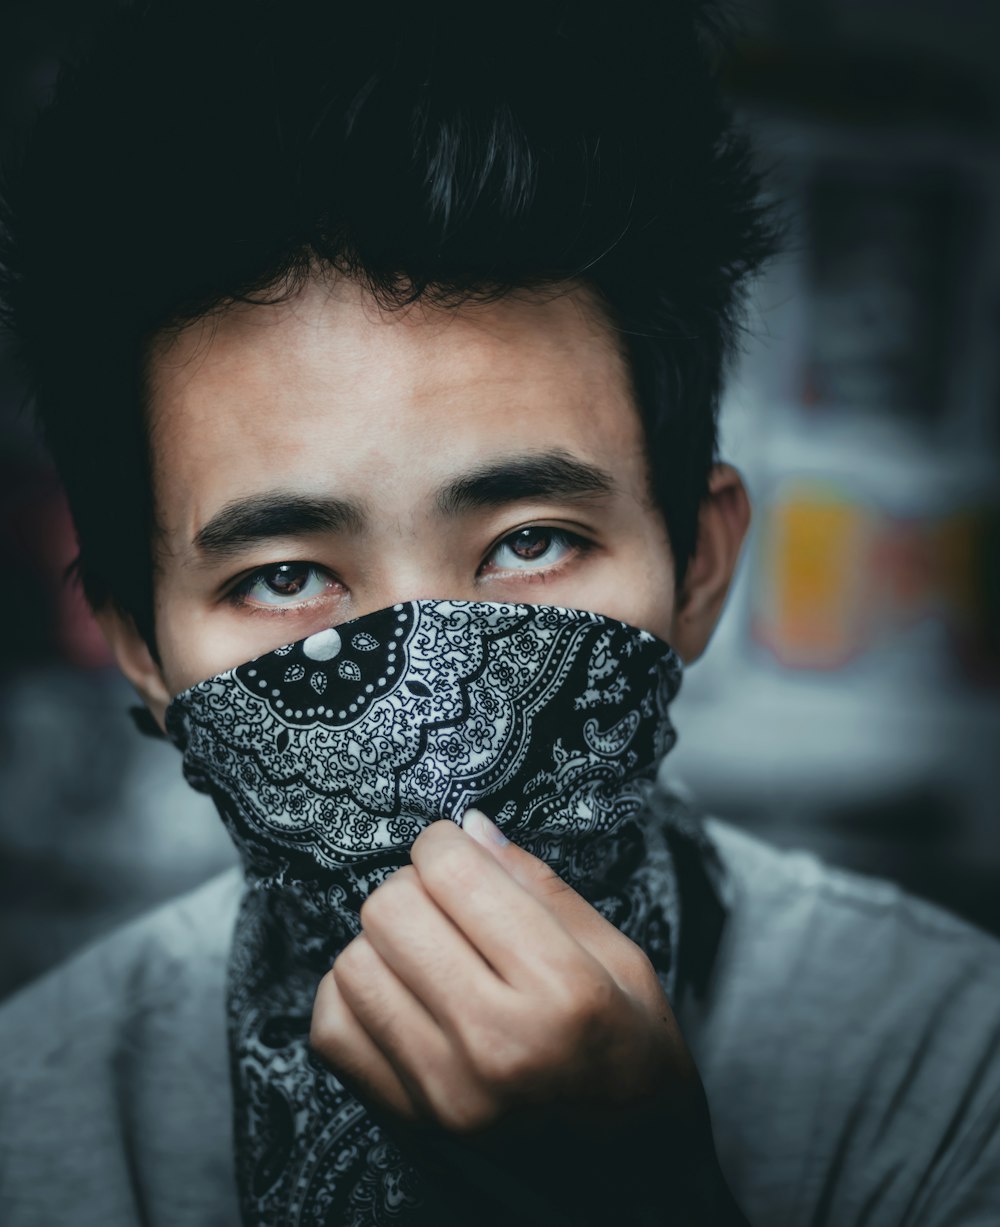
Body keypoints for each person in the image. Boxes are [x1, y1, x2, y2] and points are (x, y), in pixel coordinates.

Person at [1, 1, 999, 1224]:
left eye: (532, 543)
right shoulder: (29, 1132)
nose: (446, 736)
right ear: (143, 650)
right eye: (283, 576)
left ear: (696, 566)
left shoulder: (952, 1073)